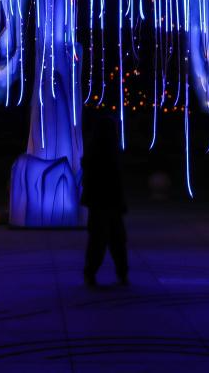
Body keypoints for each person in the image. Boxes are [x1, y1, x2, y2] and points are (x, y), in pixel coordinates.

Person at [80, 109, 129, 286]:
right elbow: (115, 179)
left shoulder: (94, 150)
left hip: (100, 202)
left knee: (101, 240)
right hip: (107, 201)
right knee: (112, 240)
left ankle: (92, 273)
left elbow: (90, 178)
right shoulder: (109, 152)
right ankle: (119, 273)